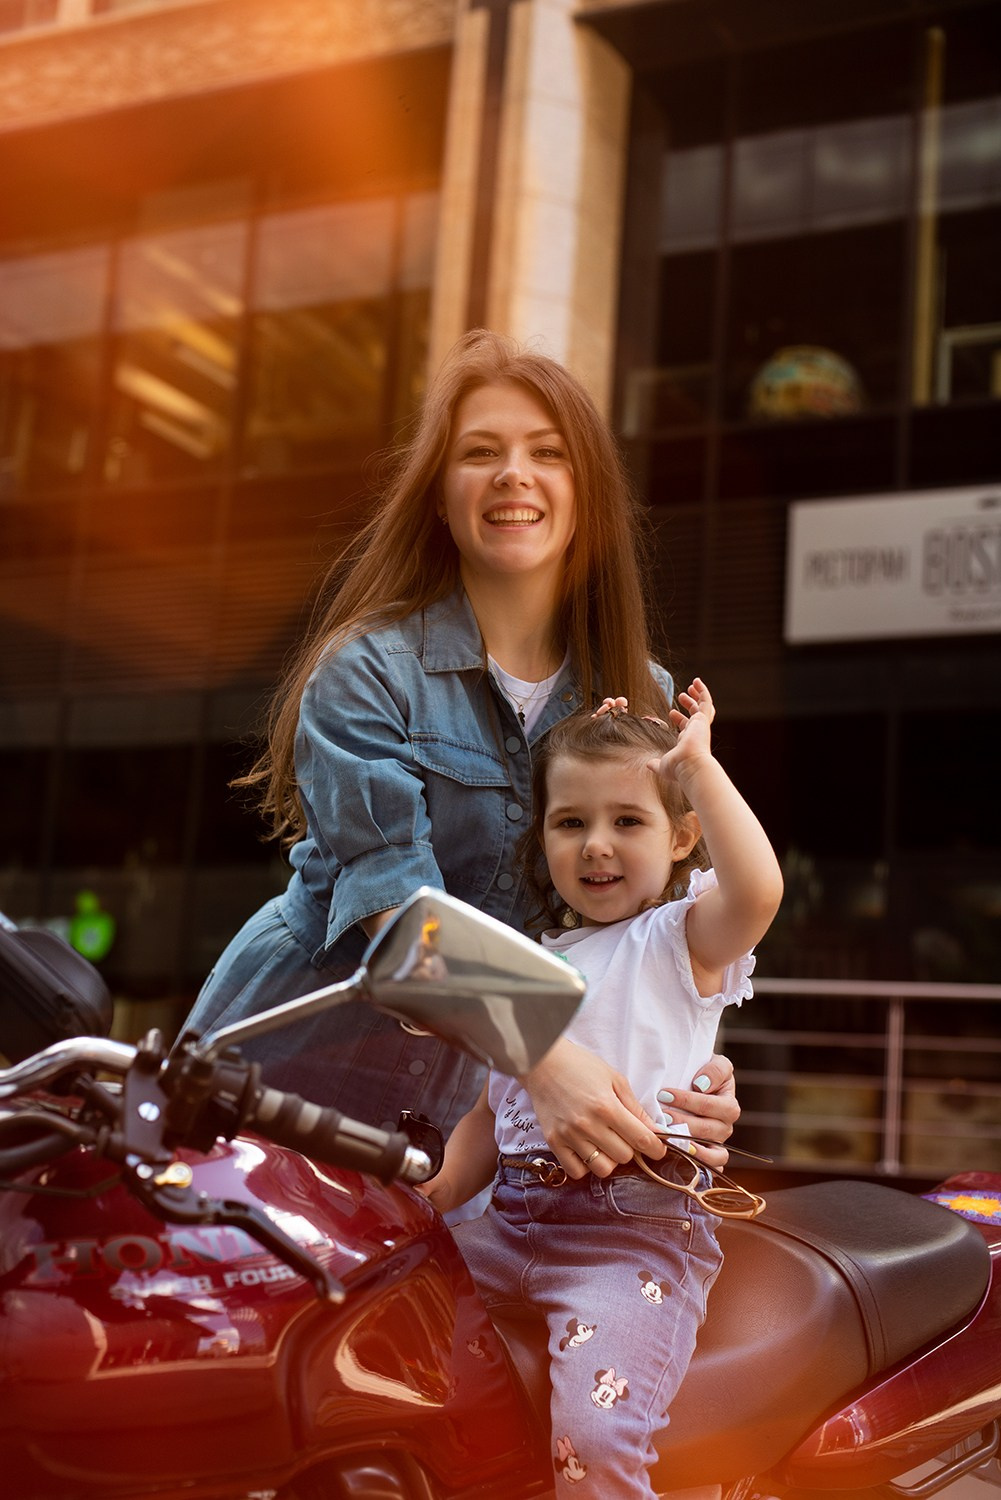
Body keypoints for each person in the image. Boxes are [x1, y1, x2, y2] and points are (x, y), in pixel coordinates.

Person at [182, 329, 739, 1169]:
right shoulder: (367, 670)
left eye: (546, 452)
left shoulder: (643, 694)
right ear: (440, 499)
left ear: (586, 495)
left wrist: (694, 1069)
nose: (513, 473)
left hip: (463, 1124)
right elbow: (397, 910)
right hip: (283, 1072)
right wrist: (542, 1058)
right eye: (480, 452)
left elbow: (663, 929)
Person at [421, 685, 784, 1498]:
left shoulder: (678, 940)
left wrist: (697, 770)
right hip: (505, 1222)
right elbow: (489, 1109)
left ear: (681, 836)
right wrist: (433, 1194)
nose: (595, 844)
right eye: (569, 822)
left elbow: (758, 891)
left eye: (627, 820)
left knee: (592, 1440)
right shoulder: (528, 962)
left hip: (627, 1238)